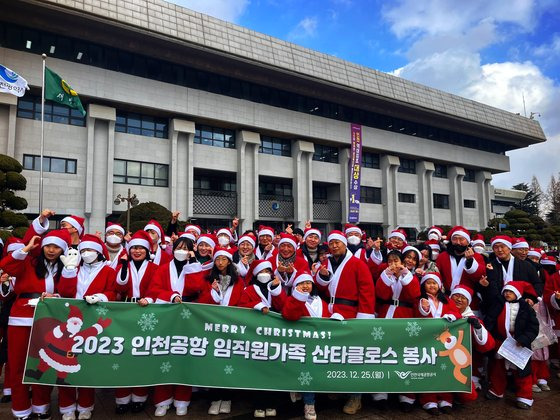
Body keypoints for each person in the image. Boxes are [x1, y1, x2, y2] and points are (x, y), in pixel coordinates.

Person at [0, 230, 71, 420]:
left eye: (56, 247)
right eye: (48, 245)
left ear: (63, 249)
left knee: (43, 364)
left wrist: (56, 296)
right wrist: (26, 248)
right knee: (18, 365)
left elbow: (70, 291)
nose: (51, 250)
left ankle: (41, 406)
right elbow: (6, 265)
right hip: (20, 319)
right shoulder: (29, 262)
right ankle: (21, 408)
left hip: (49, 319)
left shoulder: (67, 266)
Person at [56, 234, 117, 420]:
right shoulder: (74, 267)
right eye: (83, 250)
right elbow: (64, 292)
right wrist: (68, 270)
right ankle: (66, 406)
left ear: (98, 252)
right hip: (69, 322)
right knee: (63, 364)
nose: (85, 253)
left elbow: (113, 292)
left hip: (93, 321)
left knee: (86, 365)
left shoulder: (108, 270)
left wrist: (101, 297)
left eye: (89, 250)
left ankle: (85, 405)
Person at [315, 230, 375, 415]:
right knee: (334, 354)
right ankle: (338, 387)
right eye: (331, 243)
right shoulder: (327, 263)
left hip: (350, 314)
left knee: (353, 357)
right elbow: (320, 289)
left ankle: (355, 396)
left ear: (344, 244)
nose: (333, 246)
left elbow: (367, 291)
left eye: (337, 243)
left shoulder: (358, 264)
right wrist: (323, 277)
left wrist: (363, 318)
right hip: (330, 313)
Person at [149, 237, 206, 416]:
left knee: (185, 357)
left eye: (185, 248)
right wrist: (171, 295)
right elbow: (154, 290)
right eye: (178, 248)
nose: (181, 251)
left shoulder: (194, 267)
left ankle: (182, 399)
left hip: (187, 319)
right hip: (165, 317)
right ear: (172, 249)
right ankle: (162, 400)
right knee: (163, 357)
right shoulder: (163, 268)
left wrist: (193, 263)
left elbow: (197, 288)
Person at [113, 231, 159, 414]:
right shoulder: (122, 265)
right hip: (126, 310)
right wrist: (124, 265)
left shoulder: (155, 268)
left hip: (147, 312)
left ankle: (140, 396)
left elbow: (157, 289)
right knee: (123, 355)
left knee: (142, 354)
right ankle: (122, 397)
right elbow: (119, 287)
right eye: (134, 248)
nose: (137, 251)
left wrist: (150, 299)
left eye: (141, 248)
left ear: (147, 250)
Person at [198, 248, 244, 415]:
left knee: (229, 362)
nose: (220, 263)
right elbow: (201, 302)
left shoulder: (238, 281)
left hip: (231, 327)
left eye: (224, 259)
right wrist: (214, 292)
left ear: (229, 262)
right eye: (218, 260)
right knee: (214, 362)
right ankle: (215, 398)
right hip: (212, 326)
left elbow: (241, 303)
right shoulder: (207, 280)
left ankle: (227, 398)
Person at [238, 260, 285, 418]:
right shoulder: (249, 289)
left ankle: (272, 402)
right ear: (255, 273)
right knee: (258, 369)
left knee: (273, 368)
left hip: (275, 335)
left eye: (268, 271)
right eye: (261, 271)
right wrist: (257, 306)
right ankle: (259, 404)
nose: (265, 274)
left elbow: (283, 307)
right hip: (256, 334)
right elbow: (241, 306)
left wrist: (277, 290)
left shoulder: (275, 287)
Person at [373, 249, 419, 412]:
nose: (394, 264)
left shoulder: (413, 275)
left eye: (396, 260)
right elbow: (380, 293)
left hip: (405, 316)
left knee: (405, 354)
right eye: (390, 260)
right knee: (382, 353)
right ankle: (380, 392)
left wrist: (404, 275)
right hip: (386, 314)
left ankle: (406, 393)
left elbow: (414, 294)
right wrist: (388, 275)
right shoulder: (385, 274)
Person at [484, 281, 539, 409]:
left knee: (521, 370)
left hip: (519, 343)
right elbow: (490, 321)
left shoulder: (526, 308)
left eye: (511, 291)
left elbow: (533, 327)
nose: (507, 294)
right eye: (506, 291)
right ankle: (496, 390)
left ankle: (524, 396)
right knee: (498, 368)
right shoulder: (498, 305)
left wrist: (524, 339)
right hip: (501, 342)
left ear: (518, 293)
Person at [282, 273, 329, 420]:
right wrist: (298, 299)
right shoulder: (292, 300)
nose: (305, 286)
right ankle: (309, 405)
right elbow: (290, 315)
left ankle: (302, 393)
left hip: (318, 346)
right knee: (306, 373)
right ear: (295, 287)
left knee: (311, 374)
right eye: (301, 283)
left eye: (308, 283)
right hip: (300, 345)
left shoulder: (321, 302)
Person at [416, 272, 461, 415]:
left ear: (439, 285)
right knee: (428, 369)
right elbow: (418, 315)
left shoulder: (447, 300)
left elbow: (458, 314)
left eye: (434, 283)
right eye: (428, 283)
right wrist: (425, 308)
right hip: (426, 340)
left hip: (444, 342)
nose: (432, 285)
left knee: (445, 369)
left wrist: (452, 316)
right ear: (424, 286)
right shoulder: (420, 299)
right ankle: (428, 399)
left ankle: (445, 398)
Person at [450, 286, 495, 398]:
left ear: (468, 302)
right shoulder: (440, 313)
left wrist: (478, 328)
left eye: (463, 297)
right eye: (456, 296)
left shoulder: (472, 320)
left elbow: (487, 345)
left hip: (461, 364)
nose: (459, 300)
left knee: (469, 396)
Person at [0, 237, 25, 404]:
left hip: (25, 314)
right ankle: (9, 388)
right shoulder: (4, 271)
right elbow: (4, 295)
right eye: (10, 254)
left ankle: (25, 388)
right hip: (8, 314)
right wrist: (5, 282)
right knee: (9, 353)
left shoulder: (27, 269)